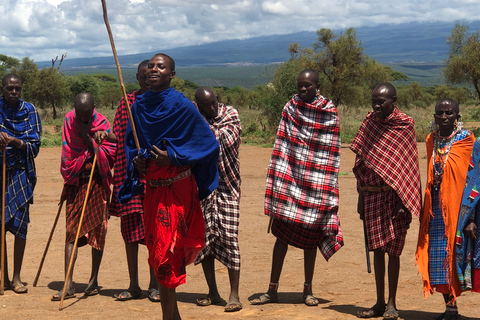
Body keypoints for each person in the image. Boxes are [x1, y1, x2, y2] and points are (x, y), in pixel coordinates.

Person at [118, 53, 219, 320]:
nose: (154, 69)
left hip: (177, 190)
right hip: (152, 188)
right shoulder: (137, 107)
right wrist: (137, 162)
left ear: (171, 74)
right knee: (158, 252)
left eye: (160, 67)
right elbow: (132, 145)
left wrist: (172, 156)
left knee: (164, 256)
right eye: (150, 66)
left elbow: (208, 144)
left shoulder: (183, 106)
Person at [250, 69, 343, 307]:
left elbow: (329, 153)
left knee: (310, 241)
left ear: (317, 87)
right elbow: (282, 146)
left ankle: (307, 290)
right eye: (300, 86)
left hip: (315, 186)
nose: (302, 90)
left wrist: (324, 185)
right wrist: (282, 180)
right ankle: (272, 289)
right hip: (290, 183)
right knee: (281, 238)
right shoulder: (290, 108)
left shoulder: (328, 112)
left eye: (307, 86)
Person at [351, 83, 422, 320]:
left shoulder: (404, 124)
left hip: (394, 197)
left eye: (381, 101)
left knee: (393, 251)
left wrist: (404, 201)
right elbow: (361, 162)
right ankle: (379, 302)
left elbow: (408, 166)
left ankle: (392, 303)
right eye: (374, 100)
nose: (377, 105)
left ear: (394, 100)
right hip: (371, 194)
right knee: (377, 250)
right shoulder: (369, 123)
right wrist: (361, 195)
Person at [101, 60, 160, 302]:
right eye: (142, 76)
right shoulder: (127, 102)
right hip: (128, 176)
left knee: (154, 233)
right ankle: (134, 285)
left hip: (154, 176)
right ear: (137, 78)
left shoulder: (161, 103)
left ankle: (155, 285)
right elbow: (120, 135)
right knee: (130, 232)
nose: (146, 80)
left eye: (150, 76)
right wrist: (105, 135)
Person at [416, 98, 478, 320]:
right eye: (440, 113)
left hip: (462, 211)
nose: (444, 117)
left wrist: (471, 217)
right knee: (440, 258)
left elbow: (474, 181)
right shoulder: (431, 140)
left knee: (464, 258)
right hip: (435, 211)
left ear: (457, 117)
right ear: (434, 116)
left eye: (449, 113)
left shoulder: (467, 141)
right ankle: (451, 309)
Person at [51, 92, 116, 301]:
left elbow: (110, 154)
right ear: (74, 110)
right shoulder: (69, 120)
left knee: (98, 230)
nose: (84, 120)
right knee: (71, 232)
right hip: (76, 182)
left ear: (94, 108)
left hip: (96, 181)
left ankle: (93, 281)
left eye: (87, 116)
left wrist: (91, 138)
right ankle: (68, 284)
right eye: (80, 116)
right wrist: (82, 131)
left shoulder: (102, 123)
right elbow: (68, 154)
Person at [193, 87, 242, 312]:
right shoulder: (197, 119)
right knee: (205, 242)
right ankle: (212, 291)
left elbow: (224, 141)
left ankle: (234, 294)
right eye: (207, 106)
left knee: (230, 237)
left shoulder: (230, 114)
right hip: (203, 186)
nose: (213, 108)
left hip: (227, 186)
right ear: (200, 106)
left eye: (214, 103)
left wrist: (201, 130)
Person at [0, 73, 41, 294]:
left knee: (20, 226)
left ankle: (16, 278)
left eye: (17, 89)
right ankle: (2, 277)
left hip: (21, 174)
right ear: (2, 89)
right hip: (0, 173)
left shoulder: (30, 111)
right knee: (1, 227)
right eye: (9, 89)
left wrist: (15, 141)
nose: (14, 92)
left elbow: (35, 147)